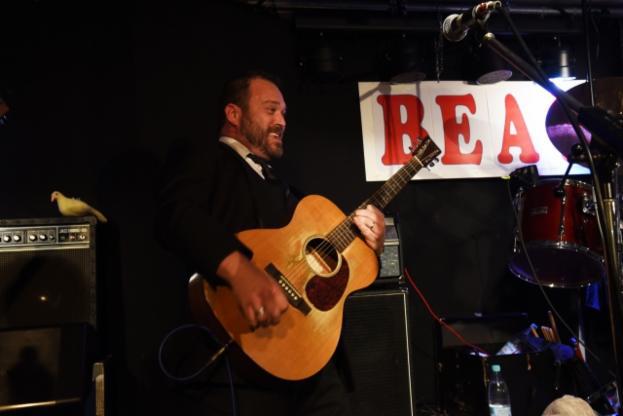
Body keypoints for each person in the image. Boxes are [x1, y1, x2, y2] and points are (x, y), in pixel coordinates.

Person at [155, 72, 385, 416]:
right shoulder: (205, 157)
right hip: (241, 366)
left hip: (313, 367)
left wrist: (368, 246)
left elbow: (320, 267)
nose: (281, 121)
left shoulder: (289, 192)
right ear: (234, 114)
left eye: (284, 113)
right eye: (270, 110)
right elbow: (175, 215)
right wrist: (239, 269)